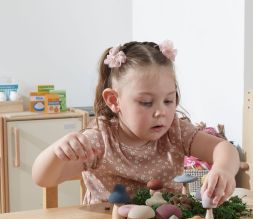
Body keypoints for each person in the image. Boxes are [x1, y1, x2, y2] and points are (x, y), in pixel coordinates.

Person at [32, 40, 239, 206]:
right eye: (146, 102)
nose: (161, 112)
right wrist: (57, 153)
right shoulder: (101, 138)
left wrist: (223, 169)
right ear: (114, 101)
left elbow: (224, 148)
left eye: (169, 100)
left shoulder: (176, 131)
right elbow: (43, 179)